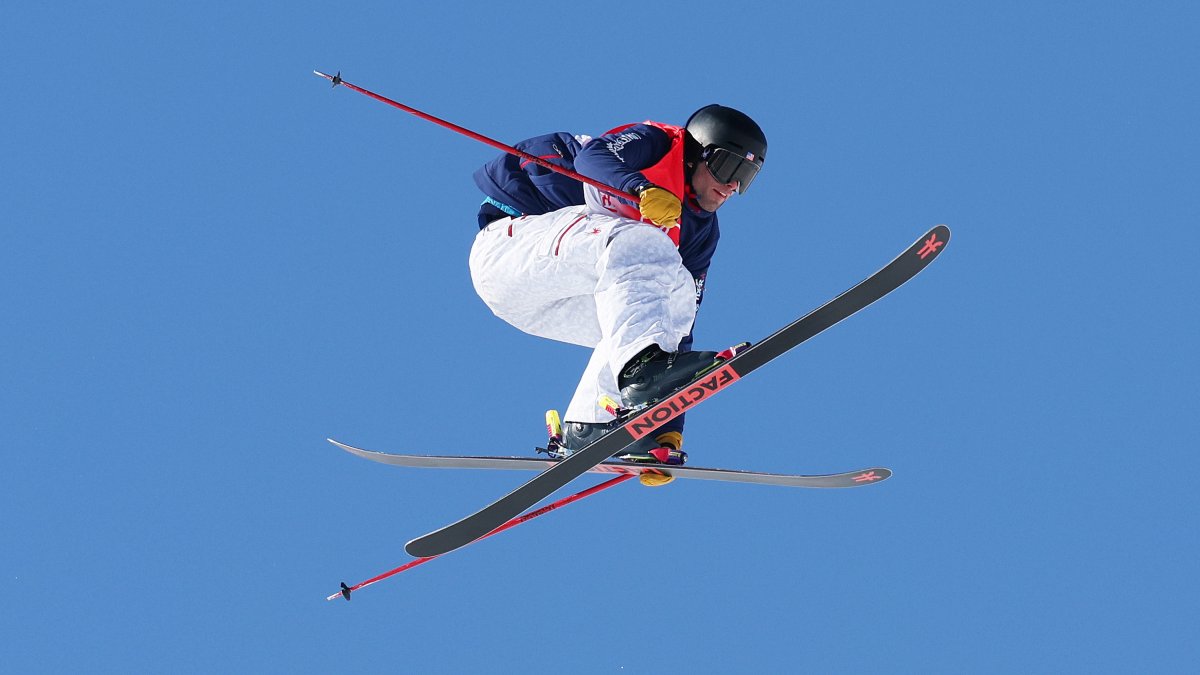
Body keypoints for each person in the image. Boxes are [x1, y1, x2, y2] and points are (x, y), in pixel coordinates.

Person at [470, 105, 767, 465]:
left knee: (678, 294)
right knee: (644, 240)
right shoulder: (657, 144)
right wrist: (641, 189)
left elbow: (679, 323)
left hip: (556, 297)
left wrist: (668, 427)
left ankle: (589, 426)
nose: (732, 186)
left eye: (745, 177)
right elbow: (592, 158)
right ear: (697, 153)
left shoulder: (700, 232)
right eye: (728, 167)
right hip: (511, 252)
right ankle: (640, 370)